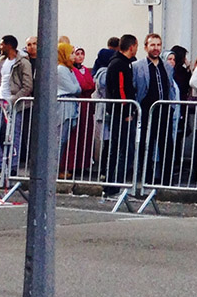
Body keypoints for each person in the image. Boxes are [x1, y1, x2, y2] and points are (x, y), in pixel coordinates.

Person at [134, 33, 181, 183]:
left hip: (165, 111)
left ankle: (166, 179)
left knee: (166, 145)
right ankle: (146, 177)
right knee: (145, 144)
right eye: (152, 45)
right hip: (146, 111)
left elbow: (170, 87)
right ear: (145, 47)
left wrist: (171, 106)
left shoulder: (167, 66)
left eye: (158, 45)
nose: (156, 48)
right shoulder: (137, 66)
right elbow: (135, 88)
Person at [0, 34, 33, 176]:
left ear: (9, 46)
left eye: (2, 44)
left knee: (14, 136)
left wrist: (14, 99)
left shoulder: (23, 63)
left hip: (14, 104)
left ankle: (12, 166)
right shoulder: (1, 61)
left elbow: (27, 86)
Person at [103, 34, 139, 191]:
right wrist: (127, 112)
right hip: (121, 114)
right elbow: (120, 90)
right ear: (131, 47)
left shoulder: (124, 63)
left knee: (120, 148)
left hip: (121, 112)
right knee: (121, 149)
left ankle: (114, 183)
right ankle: (114, 184)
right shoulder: (119, 64)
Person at [63, 46, 98, 176]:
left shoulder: (85, 70)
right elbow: (82, 85)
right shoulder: (70, 70)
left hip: (87, 105)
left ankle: (83, 164)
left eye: (82, 54)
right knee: (74, 135)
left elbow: (91, 85)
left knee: (86, 135)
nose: (80, 56)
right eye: (77, 54)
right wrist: (86, 87)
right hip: (78, 104)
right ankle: (71, 164)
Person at [55, 43, 82, 178]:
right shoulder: (61, 69)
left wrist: (77, 87)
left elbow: (78, 87)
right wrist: (76, 87)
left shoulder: (69, 69)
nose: (73, 56)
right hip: (63, 106)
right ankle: (53, 169)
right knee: (60, 138)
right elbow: (74, 88)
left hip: (70, 105)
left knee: (64, 139)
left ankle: (57, 168)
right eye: (71, 53)